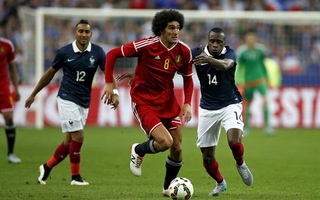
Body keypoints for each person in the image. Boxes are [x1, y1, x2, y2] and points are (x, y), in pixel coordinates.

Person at [101, 9, 193, 196]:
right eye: (171, 28)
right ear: (161, 29)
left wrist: (187, 103)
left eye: (178, 28)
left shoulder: (184, 51)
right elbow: (112, 54)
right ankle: (138, 149)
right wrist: (110, 84)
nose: (176, 32)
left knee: (177, 148)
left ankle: (167, 189)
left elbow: (188, 78)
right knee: (165, 142)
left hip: (168, 102)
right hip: (144, 101)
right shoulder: (147, 45)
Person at [25, 19, 118, 186]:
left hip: (84, 101)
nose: (83, 34)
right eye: (80, 31)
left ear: (91, 34)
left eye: (87, 32)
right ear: (75, 33)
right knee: (79, 136)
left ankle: (46, 168)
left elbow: (108, 73)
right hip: (67, 98)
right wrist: (33, 94)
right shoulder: (64, 52)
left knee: (69, 142)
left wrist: (115, 92)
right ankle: (75, 178)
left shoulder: (97, 52)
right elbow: (50, 73)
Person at [192, 27, 253, 196]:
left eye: (219, 41)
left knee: (234, 141)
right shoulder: (196, 53)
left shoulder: (230, 53)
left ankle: (240, 163)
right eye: (212, 40)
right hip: (207, 109)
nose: (215, 44)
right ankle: (220, 183)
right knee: (207, 157)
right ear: (208, 41)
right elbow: (176, 62)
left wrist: (208, 60)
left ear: (224, 43)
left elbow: (226, 65)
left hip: (230, 104)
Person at [236, 30, 273, 135]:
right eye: (249, 38)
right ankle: (247, 127)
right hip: (248, 82)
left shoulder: (261, 50)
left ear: (255, 38)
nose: (251, 40)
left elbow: (263, 65)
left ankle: (267, 127)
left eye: (253, 38)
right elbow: (240, 68)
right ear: (246, 39)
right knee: (247, 104)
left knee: (265, 100)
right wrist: (239, 81)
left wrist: (267, 78)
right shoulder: (242, 52)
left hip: (260, 79)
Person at [0, 36, 21, 164]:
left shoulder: (7, 45)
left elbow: (12, 68)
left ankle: (11, 153)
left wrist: (16, 88)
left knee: (9, 117)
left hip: (3, 89)